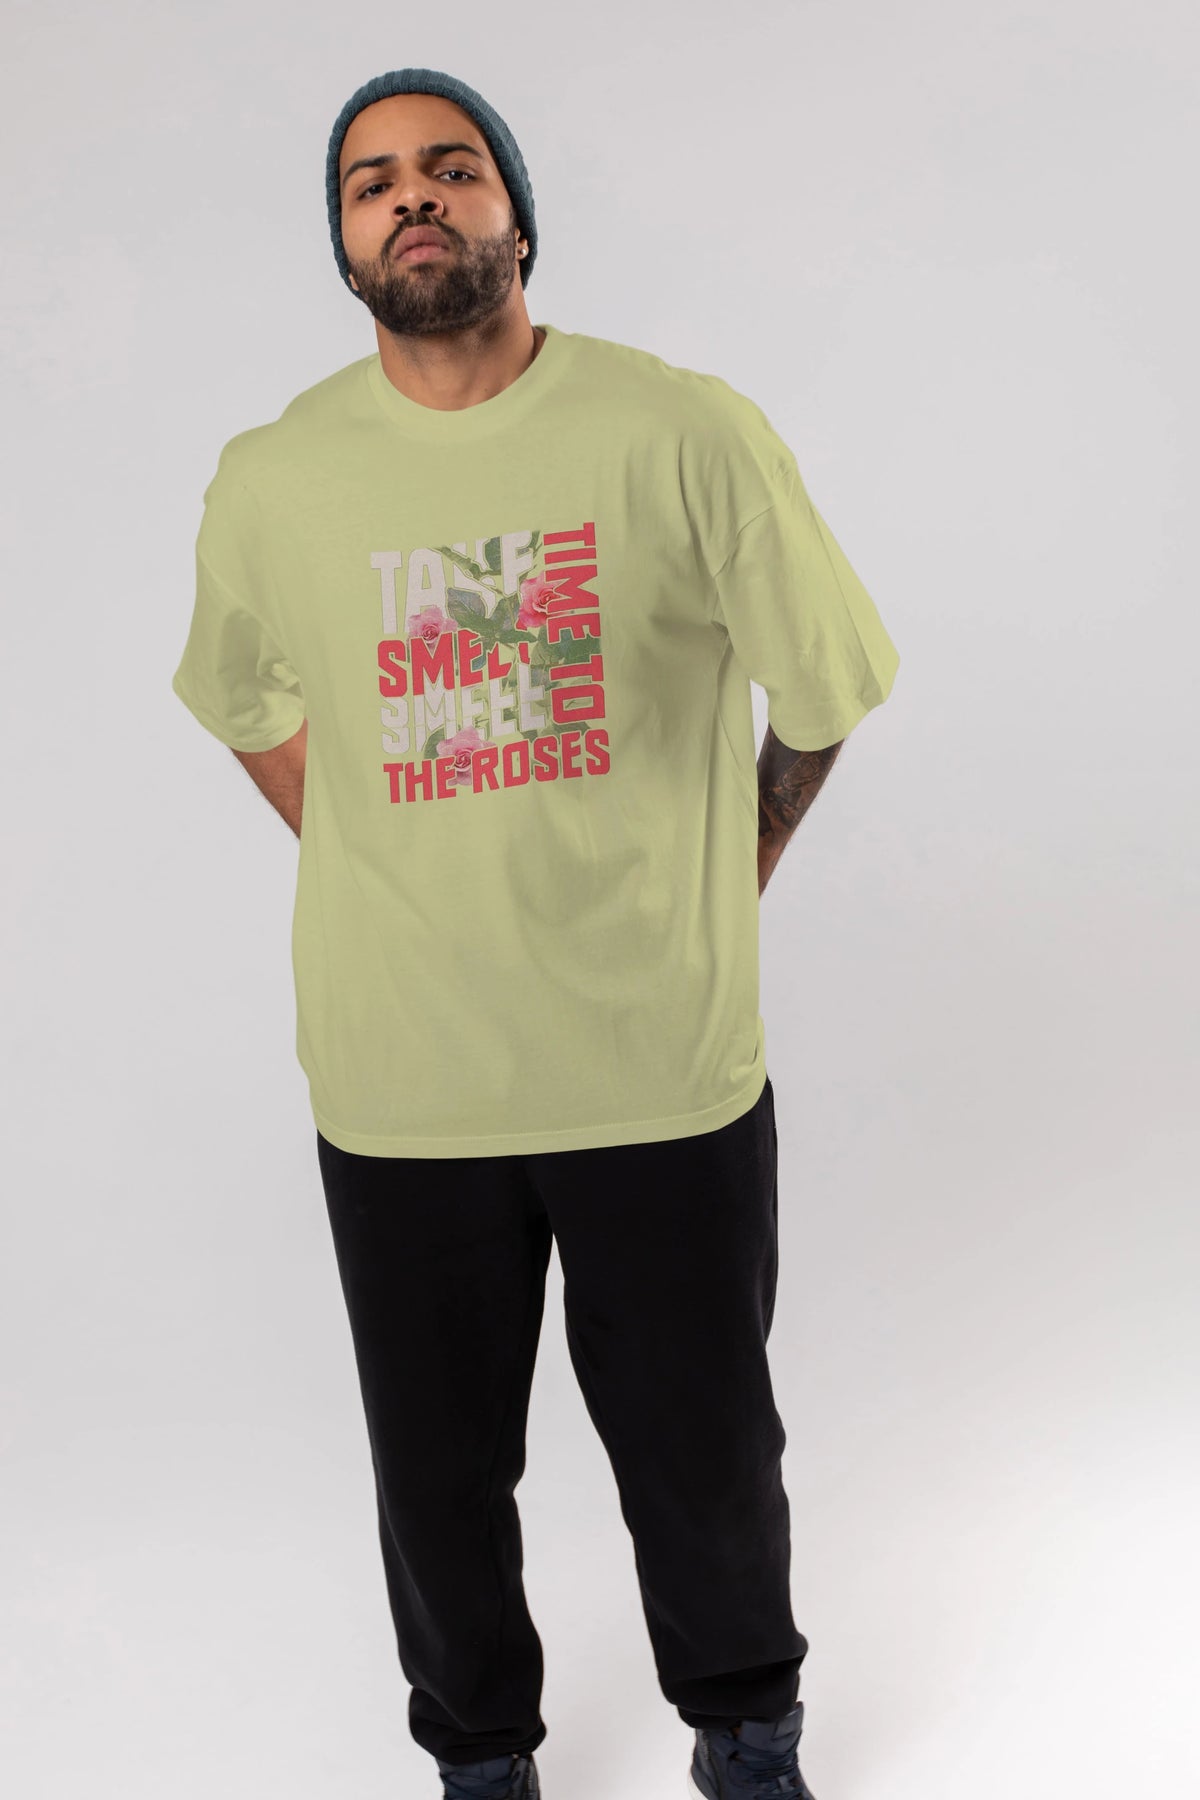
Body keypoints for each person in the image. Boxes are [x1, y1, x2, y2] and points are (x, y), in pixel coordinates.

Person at [170, 65, 900, 1800]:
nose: (413, 197)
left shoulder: (681, 432)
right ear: (344, 243)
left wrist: (739, 860)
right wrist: (375, 846)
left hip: (658, 1062)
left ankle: (747, 1732)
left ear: (517, 214)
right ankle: (481, 1760)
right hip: (403, 1082)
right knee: (435, 1476)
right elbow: (242, 697)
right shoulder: (274, 478)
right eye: (372, 183)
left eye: (452, 167)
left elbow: (824, 685)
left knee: (705, 1449)